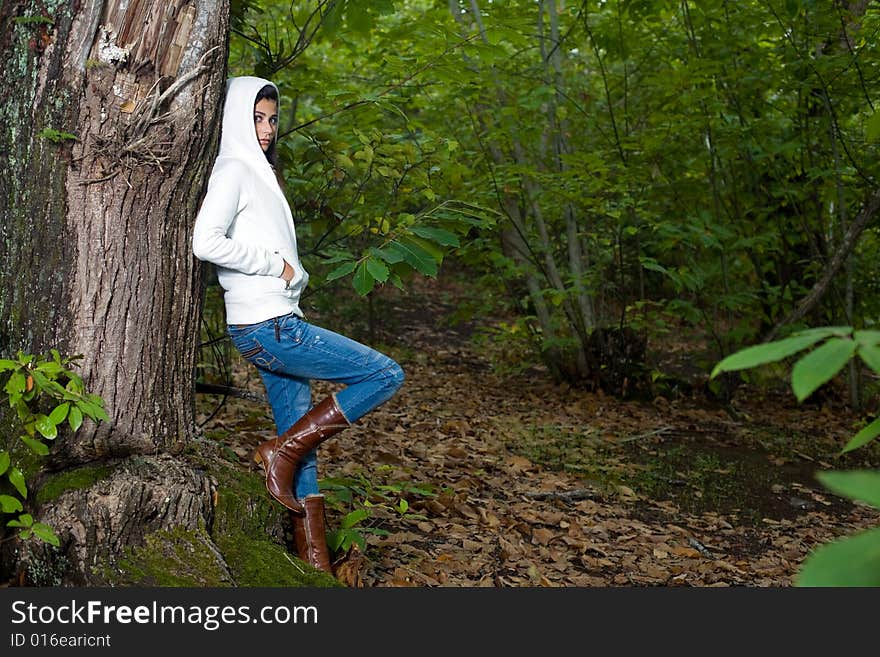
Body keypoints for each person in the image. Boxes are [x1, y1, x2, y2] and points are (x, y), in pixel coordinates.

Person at [192, 76, 405, 574]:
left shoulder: (258, 172)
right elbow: (206, 241)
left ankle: (315, 565)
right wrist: (274, 266)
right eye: (257, 118)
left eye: (271, 119)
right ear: (234, 118)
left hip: (270, 323)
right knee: (384, 374)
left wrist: (293, 273)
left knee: (302, 440)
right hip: (271, 327)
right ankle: (277, 453)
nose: (266, 129)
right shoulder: (235, 169)